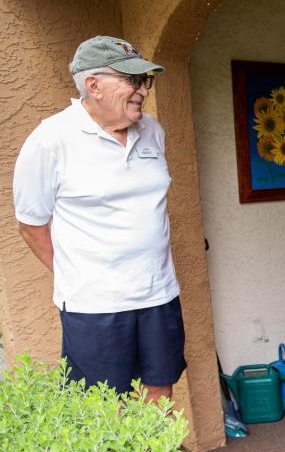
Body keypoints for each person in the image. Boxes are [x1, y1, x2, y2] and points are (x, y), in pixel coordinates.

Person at [13, 35, 185, 402]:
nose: (142, 91)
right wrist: (71, 274)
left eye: (145, 81)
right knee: (105, 406)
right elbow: (30, 224)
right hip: (95, 305)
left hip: (158, 293)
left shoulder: (152, 131)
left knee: (161, 389)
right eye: (132, 81)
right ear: (93, 85)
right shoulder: (51, 139)